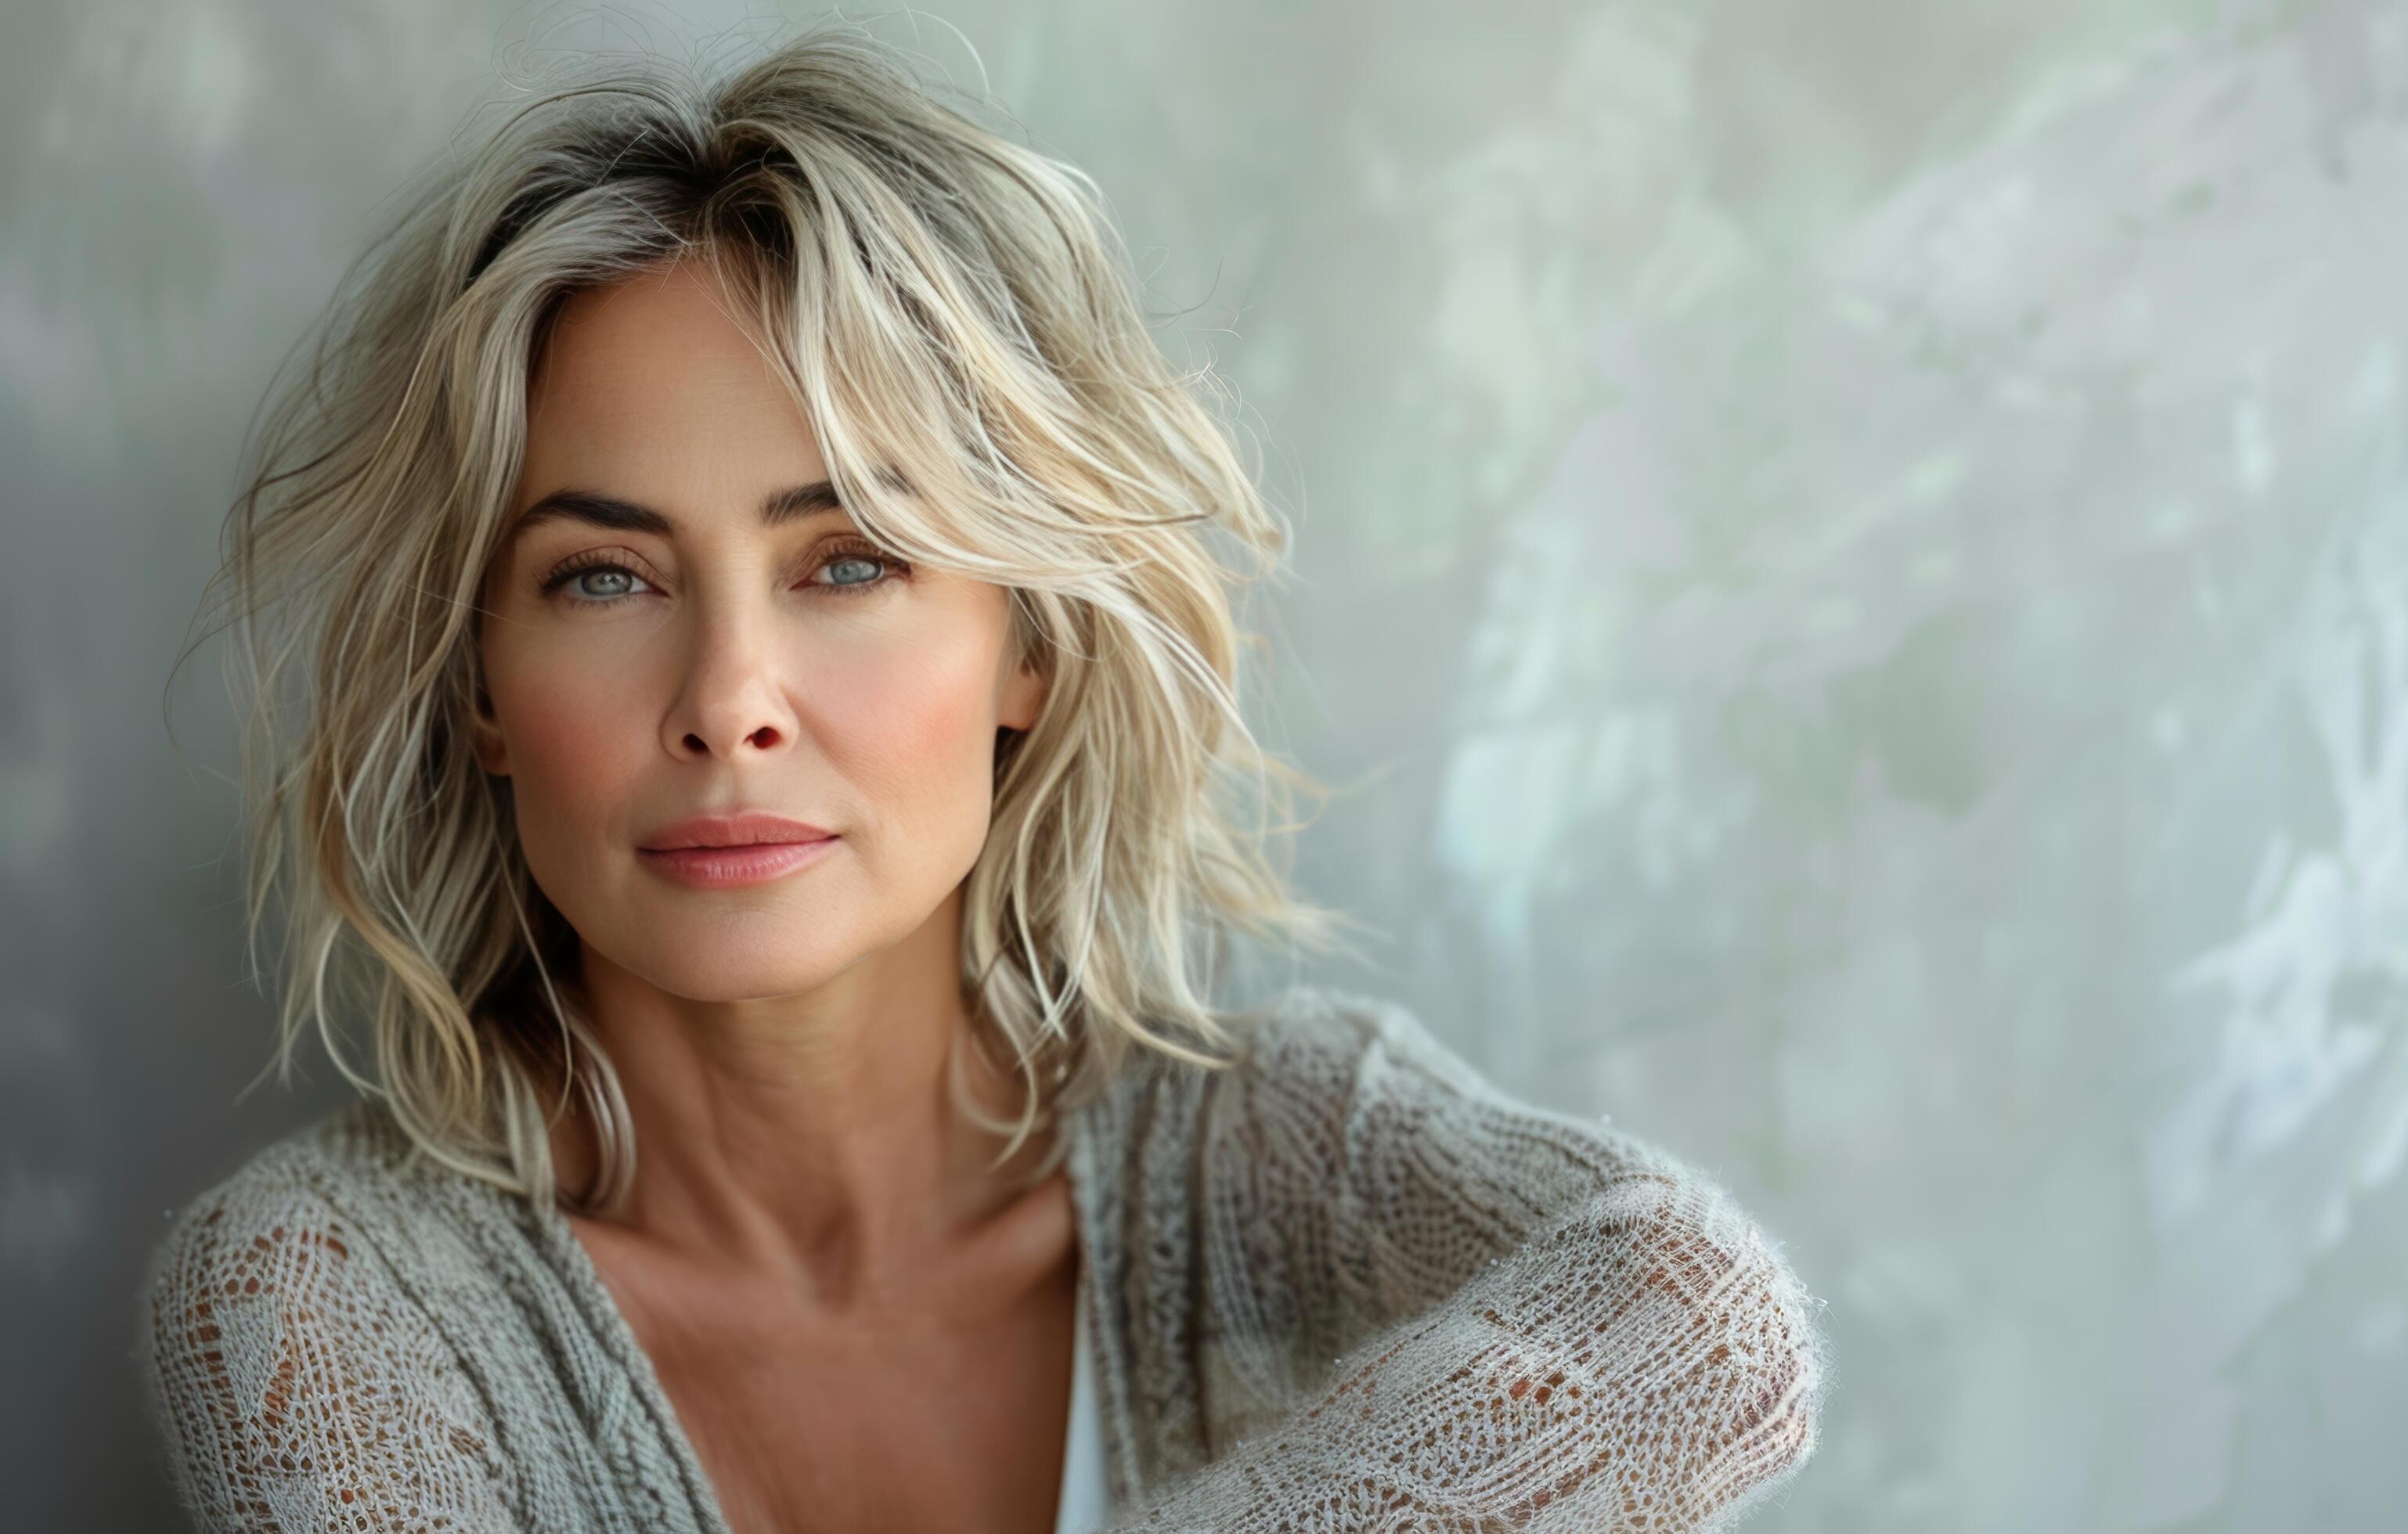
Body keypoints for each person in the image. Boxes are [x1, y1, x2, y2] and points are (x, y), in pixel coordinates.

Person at [138, 27, 1829, 1534]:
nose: (730, 704)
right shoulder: (328, 1299)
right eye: (605, 576)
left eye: (850, 562)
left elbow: (1712, 1335)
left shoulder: (1264, 1143)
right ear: (481, 681)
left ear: (1029, 648)